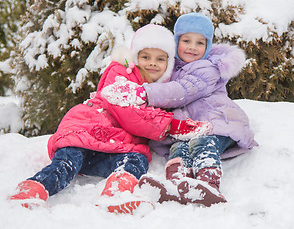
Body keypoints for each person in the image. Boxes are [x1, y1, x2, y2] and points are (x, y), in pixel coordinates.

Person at [8, 24, 211, 214]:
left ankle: (117, 193)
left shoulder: (159, 94)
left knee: (136, 160)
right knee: (68, 162)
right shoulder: (121, 72)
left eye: (160, 59)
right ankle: (33, 189)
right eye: (146, 56)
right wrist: (172, 125)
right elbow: (128, 112)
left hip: (112, 148)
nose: (152, 63)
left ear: (168, 64)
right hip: (87, 129)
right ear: (135, 57)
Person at [120, 13, 258, 207]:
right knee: (179, 149)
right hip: (187, 128)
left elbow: (181, 92)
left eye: (200, 43)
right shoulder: (170, 67)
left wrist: (144, 92)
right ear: (176, 42)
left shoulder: (208, 68)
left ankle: (208, 183)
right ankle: (176, 184)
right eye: (186, 40)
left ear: (208, 46)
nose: (192, 47)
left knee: (203, 143)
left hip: (216, 122)